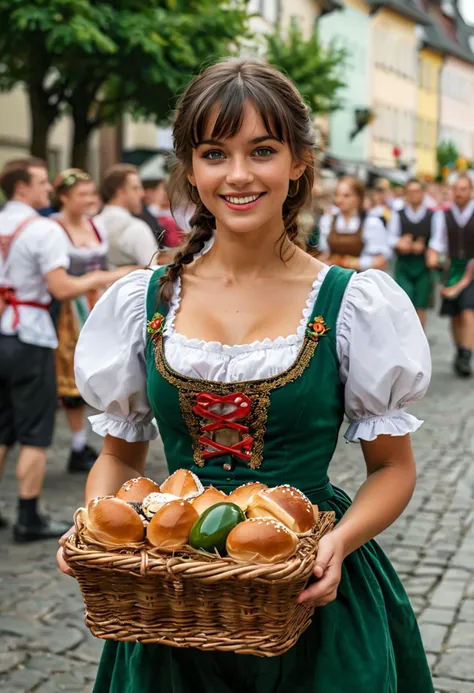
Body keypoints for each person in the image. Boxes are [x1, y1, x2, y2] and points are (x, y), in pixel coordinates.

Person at [59, 58, 433, 693]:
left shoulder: (352, 303)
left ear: (298, 162)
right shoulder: (141, 302)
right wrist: (100, 524)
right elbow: (119, 459)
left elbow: (393, 468)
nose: (238, 175)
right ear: (191, 169)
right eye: (214, 152)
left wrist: (339, 542)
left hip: (313, 596)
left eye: (261, 150)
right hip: (171, 598)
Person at [0, 158, 113, 540]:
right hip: (31, 333)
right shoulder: (43, 230)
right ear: (21, 188)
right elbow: (61, 288)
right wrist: (105, 276)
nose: (46, 190)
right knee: (35, 432)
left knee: (1, 431)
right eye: (39, 184)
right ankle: (28, 516)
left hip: (3, 330)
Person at [52, 169, 135, 472]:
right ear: (63, 197)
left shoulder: (94, 225)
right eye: (81, 195)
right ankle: (77, 442)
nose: (89, 200)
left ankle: (107, 440)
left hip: (98, 302)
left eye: (91, 193)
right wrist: (108, 276)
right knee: (72, 375)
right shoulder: (54, 229)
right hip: (69, 310)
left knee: (111, 368)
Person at [428, 174, 474, 377]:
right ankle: (459, 350)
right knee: (454, 314)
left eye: (464, 189)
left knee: (467, 309)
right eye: (457, 189)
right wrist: (433, 254)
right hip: (452, 268)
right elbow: (438, 242)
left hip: (472, 267)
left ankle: (466, 354)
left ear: (471, 191)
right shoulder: (443, 215)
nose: (460, 193)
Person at [388, 178, 437, 329]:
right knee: (404, 302)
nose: (414, 194)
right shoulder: (398, 214)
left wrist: (426, 248)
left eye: (417, 191)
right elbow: (390, 237)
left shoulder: (432, 215)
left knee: (420, 305)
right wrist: (401, 243)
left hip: (422, 265)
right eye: (410, 191)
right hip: (404, 264)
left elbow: (437, 239)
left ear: (422, 193)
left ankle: (420, 341)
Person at [317, 176, 390, 271]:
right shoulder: (328, 220)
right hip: (334, 278)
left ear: (358, 198)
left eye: (346, 196)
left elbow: (380, 261)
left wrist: (352, 263)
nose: (339, 200)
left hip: (360, 279)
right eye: (337, 195)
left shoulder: (371, 223)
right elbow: (324, 253)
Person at [95, 164, 159, 268]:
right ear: (120, 192)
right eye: (135, 188)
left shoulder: (93, 224)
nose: (142, 193)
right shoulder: (137, 228)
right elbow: (153, 272)